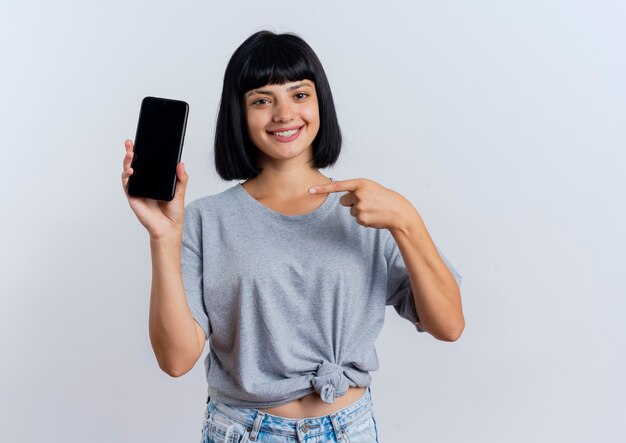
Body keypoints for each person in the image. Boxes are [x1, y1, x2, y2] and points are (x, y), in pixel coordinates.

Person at [121, 29, 464, 443]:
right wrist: (162, 236)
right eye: (262, 100)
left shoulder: (370, 209)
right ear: (239, 113)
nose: (284, 113)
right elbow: (176, 360)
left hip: (350, 429)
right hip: (244, 432)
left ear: (320, 102)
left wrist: (408, 221)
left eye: (299, 94)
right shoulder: (204, 220)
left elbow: (448, 325)